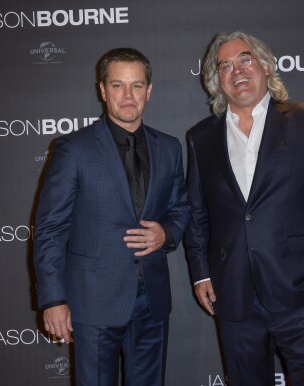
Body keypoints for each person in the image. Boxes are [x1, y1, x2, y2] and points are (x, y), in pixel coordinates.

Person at [184, 31, 304, 386]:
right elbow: (197, 212)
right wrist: (201, 272)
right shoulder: (201, 137)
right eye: (225, 65)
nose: (237, 71)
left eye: (245, 59)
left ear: (264, 66)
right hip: (233, 296)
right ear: (217, 81)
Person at [33, 47, 189, 386]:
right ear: (102, 90)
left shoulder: (170, 148)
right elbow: (50, 228)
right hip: (92, 301)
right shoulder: (73, 149)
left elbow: (181, 208)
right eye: (118, 85)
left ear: (149, 90)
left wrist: (167, 233)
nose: (128, 95)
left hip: (152, 301)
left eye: (137, 85)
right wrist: (53, 299)